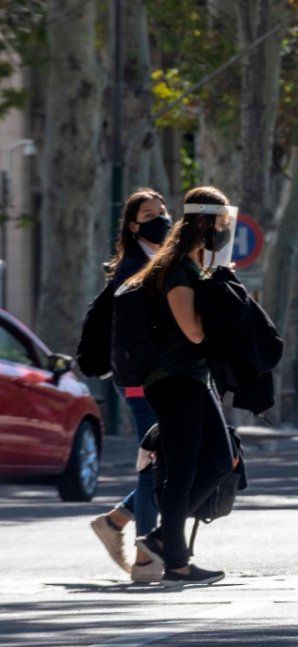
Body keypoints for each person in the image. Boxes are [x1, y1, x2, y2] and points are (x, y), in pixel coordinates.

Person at [127, 186, 237, 586]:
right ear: (205, 222)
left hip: (191, 378)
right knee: (185, 469)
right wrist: (225, 317)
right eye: (221, 222)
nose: (225, 230)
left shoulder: (192, 265)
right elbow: (192, 332)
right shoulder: (176, 269)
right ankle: (176, 561)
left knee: (220, 464)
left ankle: (162, 540)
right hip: (174, 381)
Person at [89, 189, 169, 583]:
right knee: (154, 461)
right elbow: (134, 335)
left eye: (162, 211)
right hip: (141, 381)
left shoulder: (161, 260)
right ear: (133, 224)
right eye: (149, 213)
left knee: (163, 461)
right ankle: (144, 555)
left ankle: (117, 521)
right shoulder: (133, 267)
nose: (159, 219)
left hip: (162, 378)